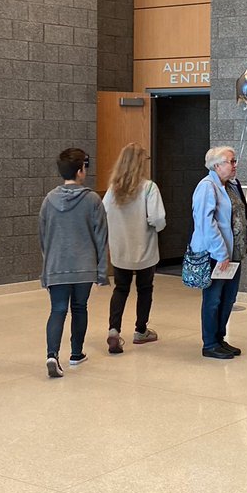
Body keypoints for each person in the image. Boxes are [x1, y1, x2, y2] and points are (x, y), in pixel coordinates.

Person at [39, 148, 108, 378]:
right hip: (84, 266)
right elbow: (101, 237)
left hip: (56, 265)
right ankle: (76, 354)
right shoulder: (92, 199)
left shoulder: (49, 199)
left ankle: (52, 354)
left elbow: (43, 236)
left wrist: (47, 266)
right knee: (80, 308)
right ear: (81, 171)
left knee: (57, 309)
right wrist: (101, 271)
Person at [190, 146, 247, 360]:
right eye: (231, 161)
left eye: (235, 161)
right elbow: (206, 223)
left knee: (228, 298)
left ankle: (220, 338)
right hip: (216, 255)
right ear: (217, 165)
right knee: (214, 299)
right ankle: (209, 343)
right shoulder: (207, 187)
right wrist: (221, 253)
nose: (235, 165)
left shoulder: (231, 186)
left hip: (233, 254)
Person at [102, 143, 166, 353]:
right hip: (144, 248)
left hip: (120, 249)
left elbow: (103, 215)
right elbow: (157, 218)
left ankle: (114, 329)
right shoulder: (149, 187)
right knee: (144, 289)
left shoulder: (112, 190)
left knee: (120, 288)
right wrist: (158, 227)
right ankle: (140, 330)